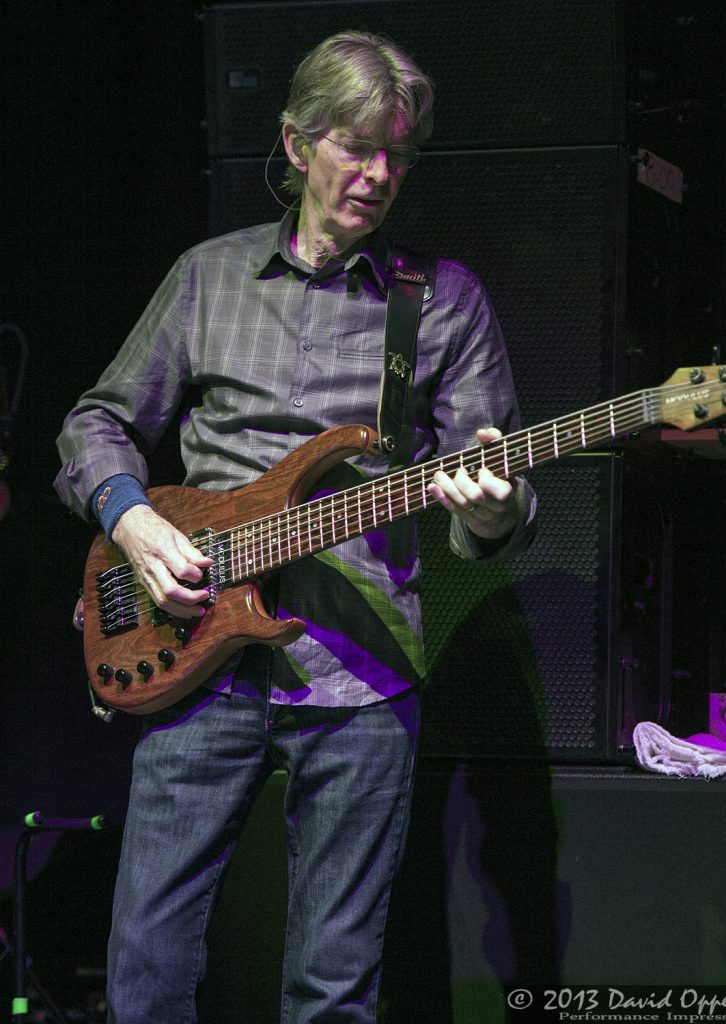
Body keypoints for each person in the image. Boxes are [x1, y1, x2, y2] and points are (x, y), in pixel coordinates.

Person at [55, 30, 536, 1024]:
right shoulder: (207, 279)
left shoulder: (443, 305)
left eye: (398, 153)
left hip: (360, 679)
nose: (378, 174)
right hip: (191, 657)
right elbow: (95, 423)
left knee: (333, 992)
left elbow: (499, 500)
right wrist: (134, 520)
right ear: (293, 143)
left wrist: (497, 511)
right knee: (146, 975)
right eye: (356, 146)